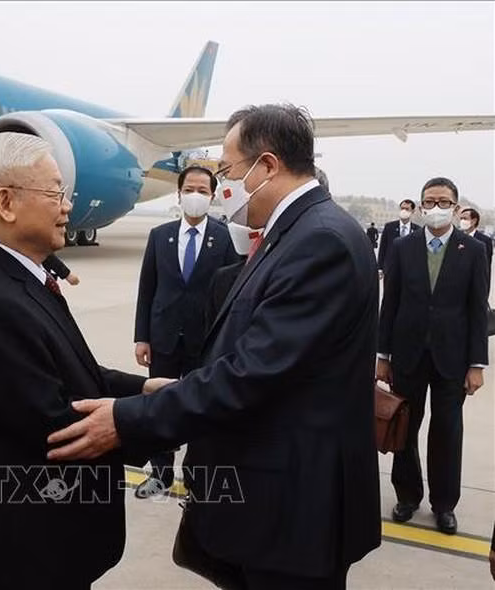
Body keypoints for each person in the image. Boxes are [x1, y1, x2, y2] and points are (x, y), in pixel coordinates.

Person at [48, 104, 382, 589]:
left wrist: (126, 420)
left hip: (295, 510)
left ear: (267, 166)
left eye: (228, 171)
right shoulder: (293, 233)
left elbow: (251, 374)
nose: (224, 186)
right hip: (272, 500)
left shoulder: (320, 241)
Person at [0, 132, 172, 589]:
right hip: (31, 550)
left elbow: (71, 371)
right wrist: (175, 414)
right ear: (7, 203)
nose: (68, 206)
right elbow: (58, 427)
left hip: (56, 541)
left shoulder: (23, 277)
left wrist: (144, 388)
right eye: (55, 193)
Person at [377, 177, 488, 535]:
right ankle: (407, 495)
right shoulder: (402, 247)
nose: (435, 207)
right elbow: (390, 304)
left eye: (443, 201)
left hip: (452, 358)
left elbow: (477, 310)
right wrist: (383, 355)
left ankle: (444, 504)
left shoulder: (473, 251)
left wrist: (476, 364)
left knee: (447, 432)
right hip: (407, 354)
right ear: (420, 206)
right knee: (405, 428)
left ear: (456, 208)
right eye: (429, 201)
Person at [132, 165, 241, 498]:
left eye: (202, 191)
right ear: (179, 194)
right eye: (189, 189)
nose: (195, 196)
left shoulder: (225, 238)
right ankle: (160, 473)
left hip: (204, 340)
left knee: (201, 408)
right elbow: (147, 289)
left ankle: (196, 477)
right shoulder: (159, 235)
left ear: (212, 196)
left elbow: (231, 293)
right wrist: (141, 336)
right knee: (159, 405)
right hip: (163, 336)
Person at [377, 199, 420, 277]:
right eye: (402, 208)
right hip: (390, 269)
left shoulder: (418, 230)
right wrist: (380, 267)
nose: (404, 211)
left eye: (407, 209)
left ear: (413, 211)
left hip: (410, 270)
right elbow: (383, 247)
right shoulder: (389, 227)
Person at [460, 207, 493, 281]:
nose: (462, 221)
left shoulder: (485, 241)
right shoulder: (456, 237)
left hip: (474, 281)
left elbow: (486, 268)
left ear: (474, 221)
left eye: (465, 218)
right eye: (461, 219)